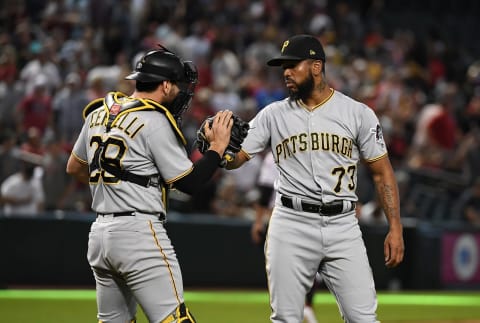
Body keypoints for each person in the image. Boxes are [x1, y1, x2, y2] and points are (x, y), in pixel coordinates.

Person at [226, 34, 404, 322]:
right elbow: (236, 159)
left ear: (317, 66)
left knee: (363, 319)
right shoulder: (272, 115)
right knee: (286, 318)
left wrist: (395, 227)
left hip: (343, 225)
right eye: (283, 66)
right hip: (291, 222)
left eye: (293, 65)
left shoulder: (357, 113)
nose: (286, 72)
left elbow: (383, 172)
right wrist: (219, 152)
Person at [66, 46, 234, 323]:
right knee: (175, 319)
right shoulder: (154, 119)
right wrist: (216, 149)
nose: (181, 93)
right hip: (138, 234)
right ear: (166, 85)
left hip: (99, 236)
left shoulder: (99, 112)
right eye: (178, 85)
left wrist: (117, 186)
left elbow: (74, 167)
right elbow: (189, 183)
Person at [251, 152, 320, 323]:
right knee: (307, 267)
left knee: (284, 269)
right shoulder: (310, 150)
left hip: (280, 218)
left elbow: (265, 192)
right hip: (308, 217)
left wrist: (258, 222)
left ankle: (295, 310)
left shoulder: (274, 154)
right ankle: (305, 307)